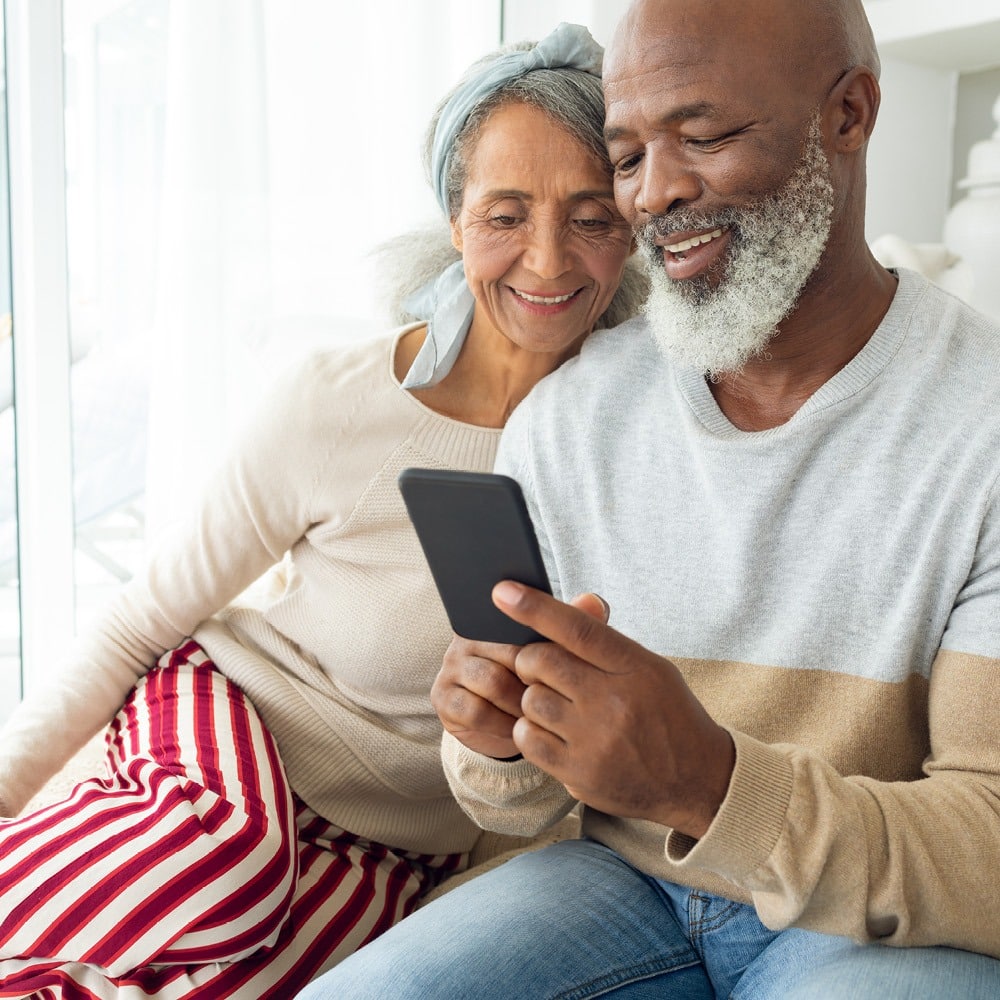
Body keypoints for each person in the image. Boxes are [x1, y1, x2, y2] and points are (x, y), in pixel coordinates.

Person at [300, 1, 1000, 998]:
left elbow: (989, 847)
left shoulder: (980, 420)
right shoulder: (576, 412)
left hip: (875, 927)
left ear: (847, 113)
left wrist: (711, 784)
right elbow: (512, 798)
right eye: (627, 156)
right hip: (622, 883)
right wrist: (494, 735)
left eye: (703, 136)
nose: (656, 194)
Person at [0, 23, 645, 1000]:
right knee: (231, 869)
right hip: (231, 725)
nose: (548, 260)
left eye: (593, 215)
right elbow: (136, 625)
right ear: (456, 220)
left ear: (635, 225)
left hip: (391, 845)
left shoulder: (638, 447)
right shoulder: (336, 399)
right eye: (505, 214)